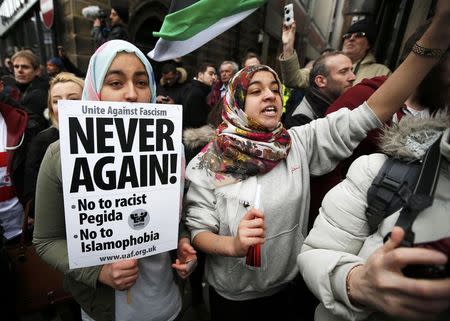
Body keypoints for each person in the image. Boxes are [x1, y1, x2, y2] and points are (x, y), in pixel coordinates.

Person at [183, 2, 450, 319]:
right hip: (233, 297)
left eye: (274, 88)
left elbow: (372, 111)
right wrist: (233, 246)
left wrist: (436, 36)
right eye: (256, 91)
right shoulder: (213, 161)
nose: (270, 95)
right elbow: (198, 231)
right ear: (235, 104)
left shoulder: (298, 143)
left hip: (287, 289)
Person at [298, 3, 450, 320]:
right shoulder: (361, 119)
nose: (353, 77)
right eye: (343, 71)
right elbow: (366, 116)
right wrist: (355, 282)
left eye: (354, 69)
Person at [33, 40, 196, 321]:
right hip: (104, 312)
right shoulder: (60, 154)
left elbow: (170, 215)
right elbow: (47, 240)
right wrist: (100, 273)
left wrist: (181, 242)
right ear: (95, 89)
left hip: (169, 306)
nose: (132, 94)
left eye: (142, 82)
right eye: (116, 83)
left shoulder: (172, 148)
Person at [24, 72, 84, 215]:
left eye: (73, 99)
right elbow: (33, 193)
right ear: (51, 108)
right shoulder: (43, 141)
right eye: (56, 101)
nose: (64, 105)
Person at [284, 51, 355, 128]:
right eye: (343, 72)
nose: (353, 77)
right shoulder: (301, 120)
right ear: (320, 81)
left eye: (351, 70)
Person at [342, 18, 392, 84]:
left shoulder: (381, 72)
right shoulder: (330, 65)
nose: (351, 39)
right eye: (348, 36)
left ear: (368, 44)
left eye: (359, 35)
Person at [11, 50, 49, 123]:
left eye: (25, 67)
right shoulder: (18, 89)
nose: (19, 70)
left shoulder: (38, 94)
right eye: (16, 66)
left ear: (36, 71)